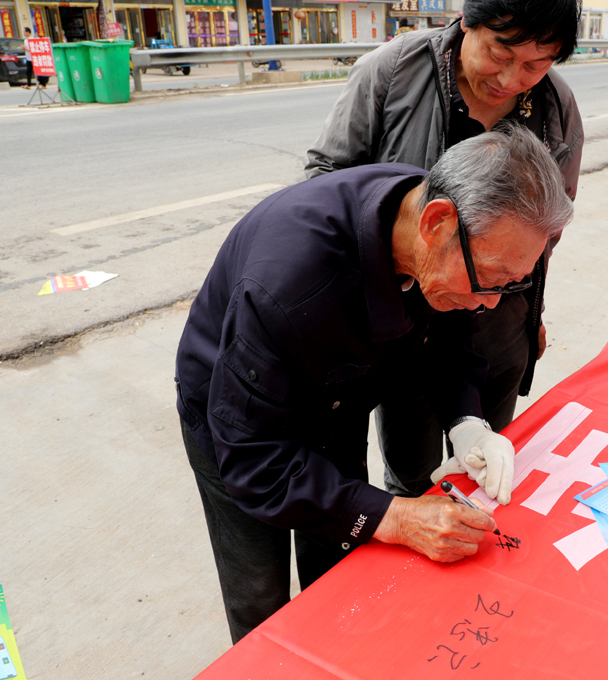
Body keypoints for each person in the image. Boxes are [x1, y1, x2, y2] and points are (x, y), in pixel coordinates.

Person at [176, 127, 574, 643]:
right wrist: (398, 517)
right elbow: (254, 461)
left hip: (338, 398)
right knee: (258, 588)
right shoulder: (288, 285)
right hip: (239, 420)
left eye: (512, 284)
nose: (492, 302)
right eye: (491, 279)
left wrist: (467, 422)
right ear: (435, 223)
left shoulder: (436, 219)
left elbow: (450, 336)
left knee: (339, 560)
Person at [305, 0, 584, 499]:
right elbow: (327, 184)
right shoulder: (392, 71)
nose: (511, 79)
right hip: (403, 328)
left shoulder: (556, 107)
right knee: (413, 480)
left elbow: (548, 227)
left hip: (498, 330)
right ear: (467, 22)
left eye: (535, 64)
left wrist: (531, 310)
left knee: (484, 472)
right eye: (500, 53)